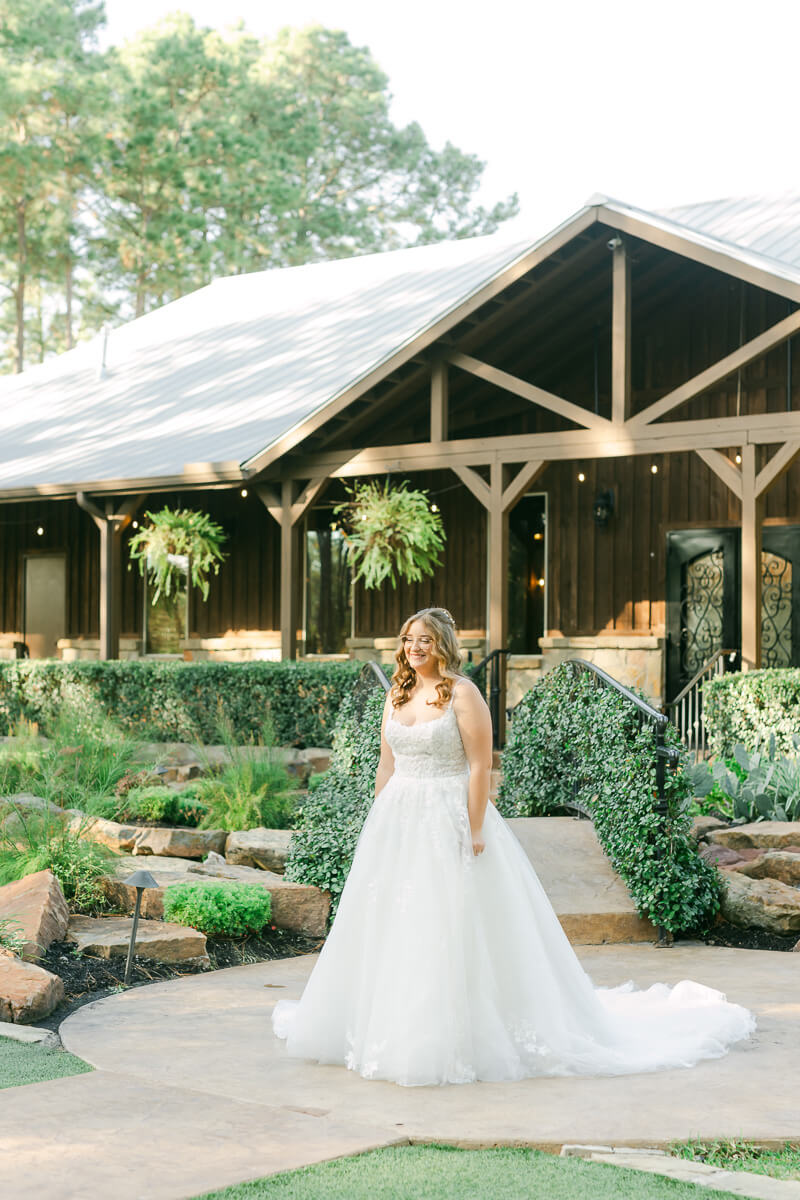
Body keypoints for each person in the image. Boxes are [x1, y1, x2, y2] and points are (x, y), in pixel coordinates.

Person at [272, 607, 755, 1086]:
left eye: (424, 640)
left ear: (442, 645)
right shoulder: (396, 694)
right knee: (395, 920)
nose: (414, 648)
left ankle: (460, 1033)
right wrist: (380, 817)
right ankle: (380, 1024)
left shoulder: (463, 693)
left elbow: (480, 766)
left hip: (449, 813)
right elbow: (386, 763)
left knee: (451, 920)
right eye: (408, 639)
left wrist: (476, 827)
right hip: (398, 819)